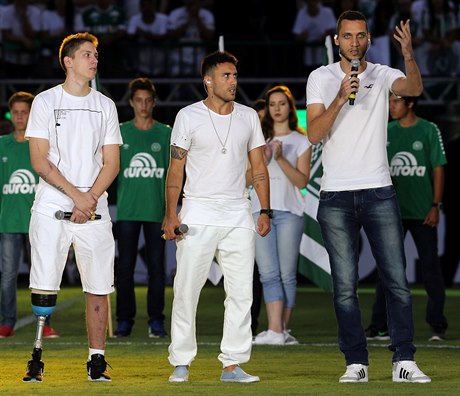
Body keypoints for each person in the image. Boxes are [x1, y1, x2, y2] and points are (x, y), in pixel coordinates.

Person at [306, 10, 431, 383]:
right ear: (336, 40)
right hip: (335, 197)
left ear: (368, 39)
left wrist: (408, 53)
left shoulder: (382, 73)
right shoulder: (321, 77)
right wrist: (341, 97)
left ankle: (403, 361)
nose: (354, 42)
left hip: (379, 190)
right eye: (348, 36)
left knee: (396, 281)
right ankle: (355, 363)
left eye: (360, 36)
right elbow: (313, 133)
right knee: (345, 287)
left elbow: (414, 90)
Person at [164, 50, 271, 383]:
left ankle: (232, 364)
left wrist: (264, 210)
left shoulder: (249, 116)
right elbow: (175, 169)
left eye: (235, 76)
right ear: (207, 80)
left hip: (239, 212)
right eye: (226, 75)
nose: (233, 81)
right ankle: (181, 361)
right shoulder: (188, 116)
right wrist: (171, 213)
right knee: (186, 289)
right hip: (197, 211)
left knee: (241, 292)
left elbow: (259, 168)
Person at [22, 32, 122, 382]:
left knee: (98, 286)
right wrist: (76, 197)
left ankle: (96, 361)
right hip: (53, 207)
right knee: (44, 283)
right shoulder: (45, 102)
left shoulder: (105, 105)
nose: (94, 60)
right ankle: (36, 358)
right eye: (86, 55)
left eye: (95, 55)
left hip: (94, 209)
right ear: (68, 61)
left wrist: (89, 198)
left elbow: (111, 163)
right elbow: (39, 160)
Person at [365, 93, 448, 342]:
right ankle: (379, 326)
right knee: (386, 270)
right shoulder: (385, 130)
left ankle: (437, 327)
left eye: (395, 102)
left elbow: (438, 169)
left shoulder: (428, 130)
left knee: (431, 268)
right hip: (392, 212)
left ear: (410, 103)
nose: (391, 106)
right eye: (389, 102)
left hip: (423, 213)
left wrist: (435, 205)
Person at [251, 86, 311, 346]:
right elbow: (244, 179)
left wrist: (280, 158)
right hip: (260, 210)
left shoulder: (301, 140)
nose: (276, 108)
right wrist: (262, 159)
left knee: (287, 274)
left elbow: (302, 180)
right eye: (272, 104)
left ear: (290, 107)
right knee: (268, 272)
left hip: (290, 212)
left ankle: (281, 330)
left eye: (282, 103)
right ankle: (276, 330)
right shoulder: (256, 139)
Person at [114, 77, 171, 338]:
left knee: (157, 269)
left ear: (154, 102)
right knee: (124, 268)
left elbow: (174, 175)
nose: (144, 105)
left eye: (148, 100)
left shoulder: (166, 133)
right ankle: (125, 320)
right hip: (126, 212)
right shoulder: (120, 132)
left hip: (156, 213)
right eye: (139, 100)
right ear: (131, 103)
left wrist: (172, 210)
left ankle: (155, 320)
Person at [0, 92, 59, 339]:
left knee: (42, 275)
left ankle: (44, 323)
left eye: (25, 112)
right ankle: (7, 322)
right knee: (8, 277)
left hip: (40, 219)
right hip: (9, 221)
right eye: (16, 112)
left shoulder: (42, 144)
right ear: (10, 115)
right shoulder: (2, 144)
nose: (21, 117)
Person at [248, 98, 266, 337]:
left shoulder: (278, 143)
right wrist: (259, 166)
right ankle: (249, 325)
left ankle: (277, 328)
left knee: (269, 274)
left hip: (265, 214)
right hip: (241, 214)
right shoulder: (242, 143)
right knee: (246, 274)